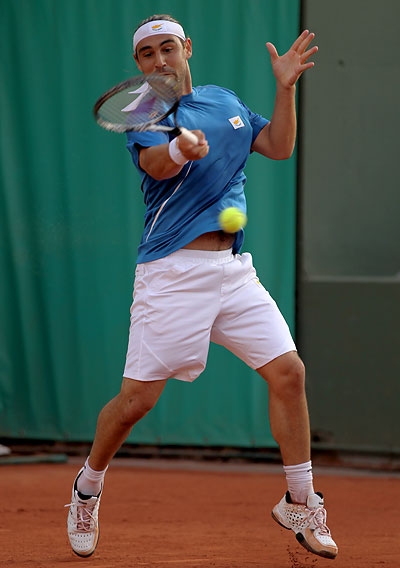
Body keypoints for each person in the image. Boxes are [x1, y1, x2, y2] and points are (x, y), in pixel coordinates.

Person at [66, 14, 338, 561]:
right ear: (139, 63)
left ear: (187, 48)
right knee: (136, 402)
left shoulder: (223, 100)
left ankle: (301, 500)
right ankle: (87, 489)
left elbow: (277, 145)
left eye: (168, 48)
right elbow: (154, 164)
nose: (159, 61)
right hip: (171, 275)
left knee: (289, 373)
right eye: (147, 54)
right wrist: (178, 151)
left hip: (233, 272)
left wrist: (285, 89)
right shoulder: (144, 111)